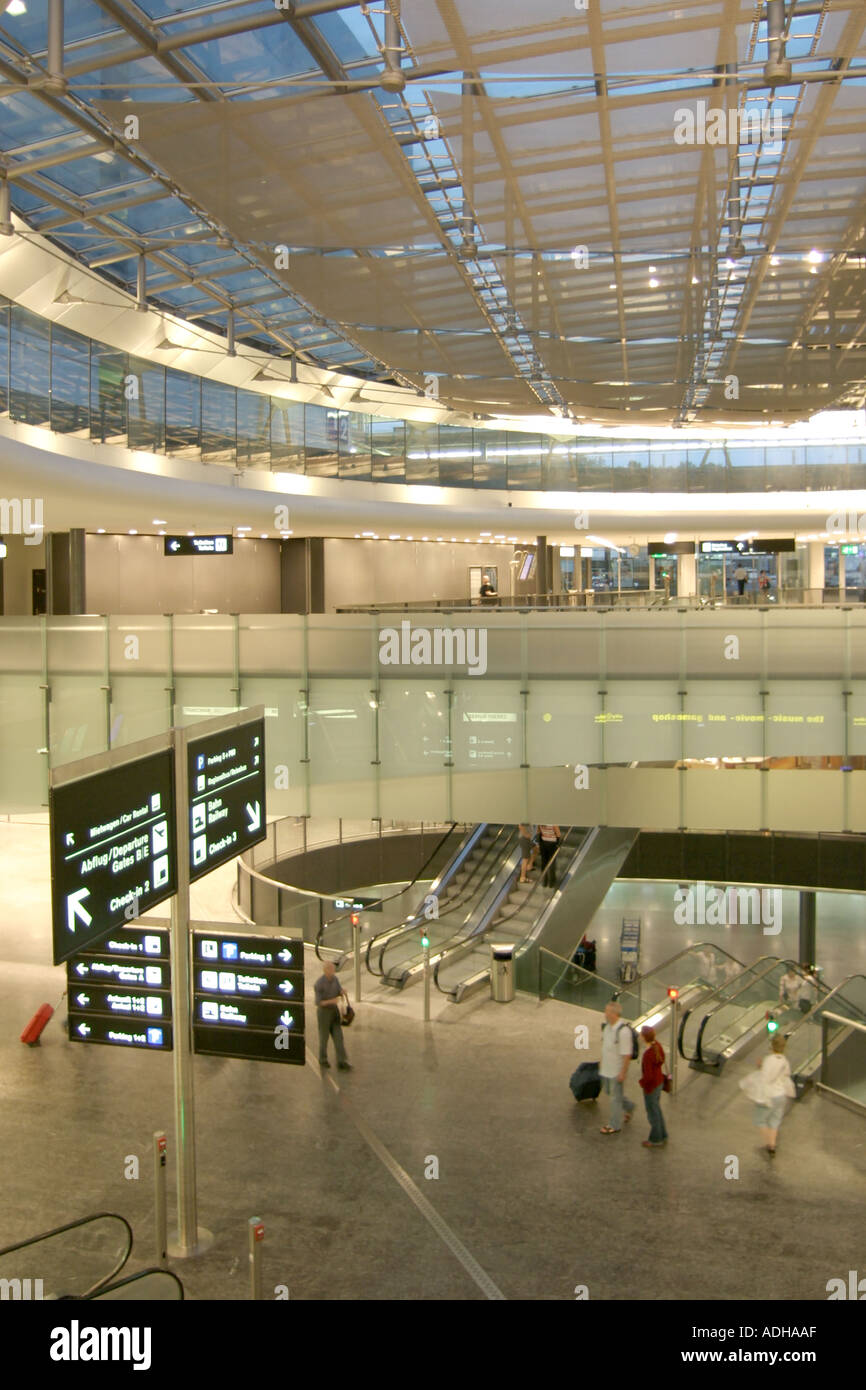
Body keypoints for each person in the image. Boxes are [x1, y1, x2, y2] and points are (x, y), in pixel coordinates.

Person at [745, 1034, 796, 1157]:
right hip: (781, 1096)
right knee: (775, 1120)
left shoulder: (769, 1059)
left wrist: (760, 1066)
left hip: (770, 1095)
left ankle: (768, 1141)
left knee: (760, 1120)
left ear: (772, 1046)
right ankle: (772, 1146)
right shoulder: (784, 1061)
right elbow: (786, 1075)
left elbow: (765, 1077)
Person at [599, 999, 635, 1134]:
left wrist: (623, 1073)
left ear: (614, 1014)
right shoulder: (607, 1027)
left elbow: (627, 1054)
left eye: (607, 1011)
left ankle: (614, 1125)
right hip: (606, 1069)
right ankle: (629, 1106)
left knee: (615, 1097)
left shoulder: (623, 1032)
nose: (605, 1014)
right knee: (609, 1091)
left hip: (616, 1070)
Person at [314, 959, 352, 1071]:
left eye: (333, 969)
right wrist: (332, 1001)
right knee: (324, 1038)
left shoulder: (335, 979)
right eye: (330, 969)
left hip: (334, 1012)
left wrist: (342, 992)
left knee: (338, 1037)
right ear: (325, 970)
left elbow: (338, 990)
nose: (333, 971)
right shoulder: (319, 984)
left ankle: (342, 1061)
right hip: (324, 1013)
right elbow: (318, 1002)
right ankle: (323, 1059)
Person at [638, 1025, 668, 1148]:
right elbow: (661, 1060)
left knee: (652, 1112)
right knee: (657, 1110)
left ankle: (655, 1139)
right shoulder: (658, 1046)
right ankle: (663, 1134)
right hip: (659, 1081)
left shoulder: (648, 1054)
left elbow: (648, 1076)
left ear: (644, 1037)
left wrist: (642, 1083)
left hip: (651, 1086)